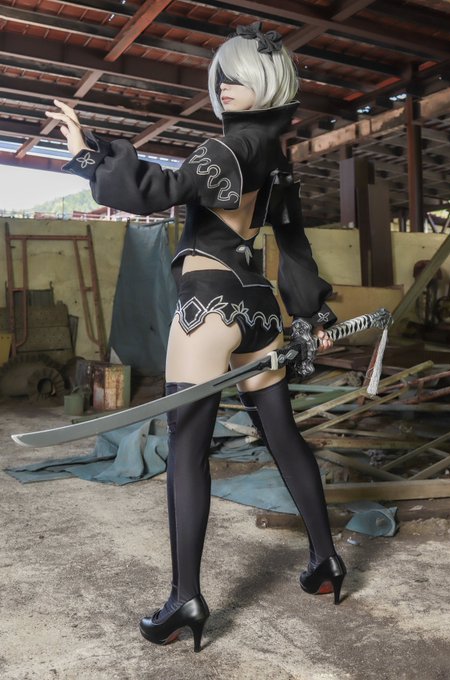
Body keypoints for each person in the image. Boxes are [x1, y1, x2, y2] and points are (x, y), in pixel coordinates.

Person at [45, 22, 346, 653]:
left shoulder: (225, 149)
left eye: (238, 76)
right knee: (284, 438)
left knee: (187, 447)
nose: (225, 86)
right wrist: (309, 313)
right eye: (221, 77)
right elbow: (292, 243)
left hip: (208, 305)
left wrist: (82, 156)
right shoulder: (274, 155)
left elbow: (153, 192)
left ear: (267, 81)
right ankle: (325, 560)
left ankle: (185, 598)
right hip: (258, 307)